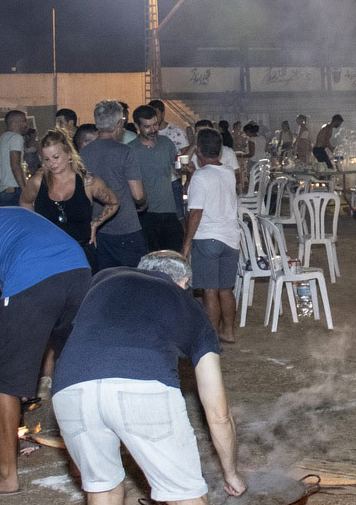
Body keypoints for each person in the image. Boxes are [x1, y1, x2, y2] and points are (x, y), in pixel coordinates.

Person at [51, 251, 247, 505]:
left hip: (70, 386)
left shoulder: (104, 278)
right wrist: (231, 472)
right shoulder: (188, 307)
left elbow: (71, 333)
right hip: (142, 384)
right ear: (184, 283)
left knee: (102, 495)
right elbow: (217, 412)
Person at [0, 202, 92, 496]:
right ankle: (85, 465)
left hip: (33, 277)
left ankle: (5, 476)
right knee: (74, 372)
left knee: (1, 378)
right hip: (79, 272)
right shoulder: (9, 215)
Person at [20, 129, 120, 271]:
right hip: (48, 253)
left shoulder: (88, 182)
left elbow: (114, 202)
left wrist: (95, 224)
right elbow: (25, 201)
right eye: (46, 159)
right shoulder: (37, 182)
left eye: (56, 157)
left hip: (81, 253)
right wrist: (33, 228)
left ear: (69, 154)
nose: (51, 163)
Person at [183, 129, 241, 343]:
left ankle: (212, 336)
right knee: (226, 289)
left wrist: (186, 243)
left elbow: (196, 213)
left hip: (208, 238)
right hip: (231, 238)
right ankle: (229, 331)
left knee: (209, 290)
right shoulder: (228, 172)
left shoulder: (201, 176)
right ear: (220, 150)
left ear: (198, 150)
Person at [80, 100, 148, 269]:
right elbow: (138, 195)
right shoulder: (125, 152)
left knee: (105, 278)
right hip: (126, 227)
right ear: (119, 124)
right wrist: (143, 202)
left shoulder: (83, 153)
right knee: (135, 277)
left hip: (97, 229)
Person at [132, 105, 184, 252]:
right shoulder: (131, 150)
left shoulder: (166, 143)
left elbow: (177, 167)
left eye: (155, 125)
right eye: (147, 127)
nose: (153, 130)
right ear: (137, 126)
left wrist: (185, 168)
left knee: (172, 255)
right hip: (145, 214)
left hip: (169, 211)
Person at [0, 110, 29, 207]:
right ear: (15, 121)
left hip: (2, 190)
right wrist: (25, 190)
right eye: (24, 121)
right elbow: (15, 165)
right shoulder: (16, 138)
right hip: (14, 190)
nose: (25, 125)